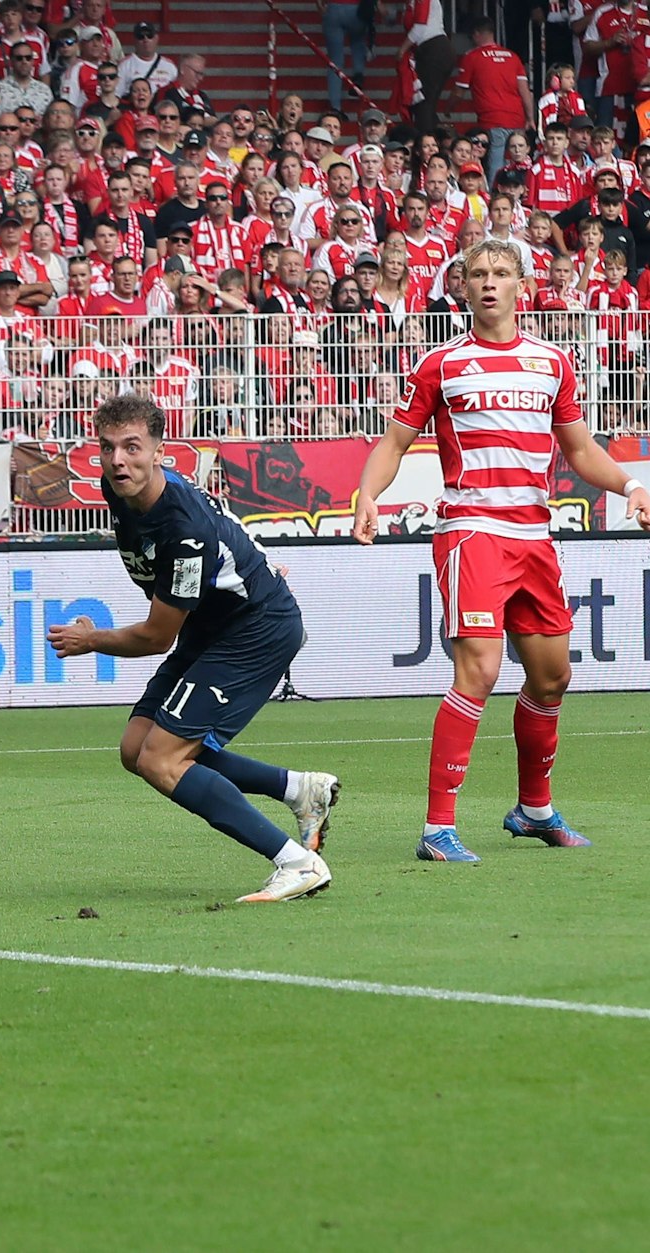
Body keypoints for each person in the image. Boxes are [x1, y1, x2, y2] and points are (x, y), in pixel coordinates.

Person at [354, 237, 650, 863]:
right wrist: (366, 494)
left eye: (501, 273)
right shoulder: (442, 364)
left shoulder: (553, 363)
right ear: (462, 287)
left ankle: (533, 810)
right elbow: (393, 444)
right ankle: (438, 828)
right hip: (472, 532)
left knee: (552, 677)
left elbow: (580, 451)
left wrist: (631, 482)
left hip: (534, 537)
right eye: (477, 274)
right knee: (480, 671)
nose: (489, 282)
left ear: (523, 285)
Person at [48, 394, 338, 903]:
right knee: (136, 750)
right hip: (211, 626)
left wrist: (91, 640)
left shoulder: (183, 530)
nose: (118, 460)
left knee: (163, 760)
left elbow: (158, 636)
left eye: (133, 447)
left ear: (160, 452)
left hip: (254, 631)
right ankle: (299, 789)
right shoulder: (120, 490)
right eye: (108, 447)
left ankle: (296, 862)